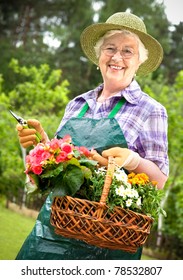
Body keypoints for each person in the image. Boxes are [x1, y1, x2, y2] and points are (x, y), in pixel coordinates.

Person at [15, 12, 169, 260]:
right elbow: (58, 172)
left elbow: (159, 181)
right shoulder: (77, 104)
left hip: (107, 243)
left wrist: (134, 161)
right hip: (51, 235)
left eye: (128, 51)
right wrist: (41, 145)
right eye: (110, 48)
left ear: (140, 61)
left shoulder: (151, 110)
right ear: (99, 57)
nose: (117, 57)